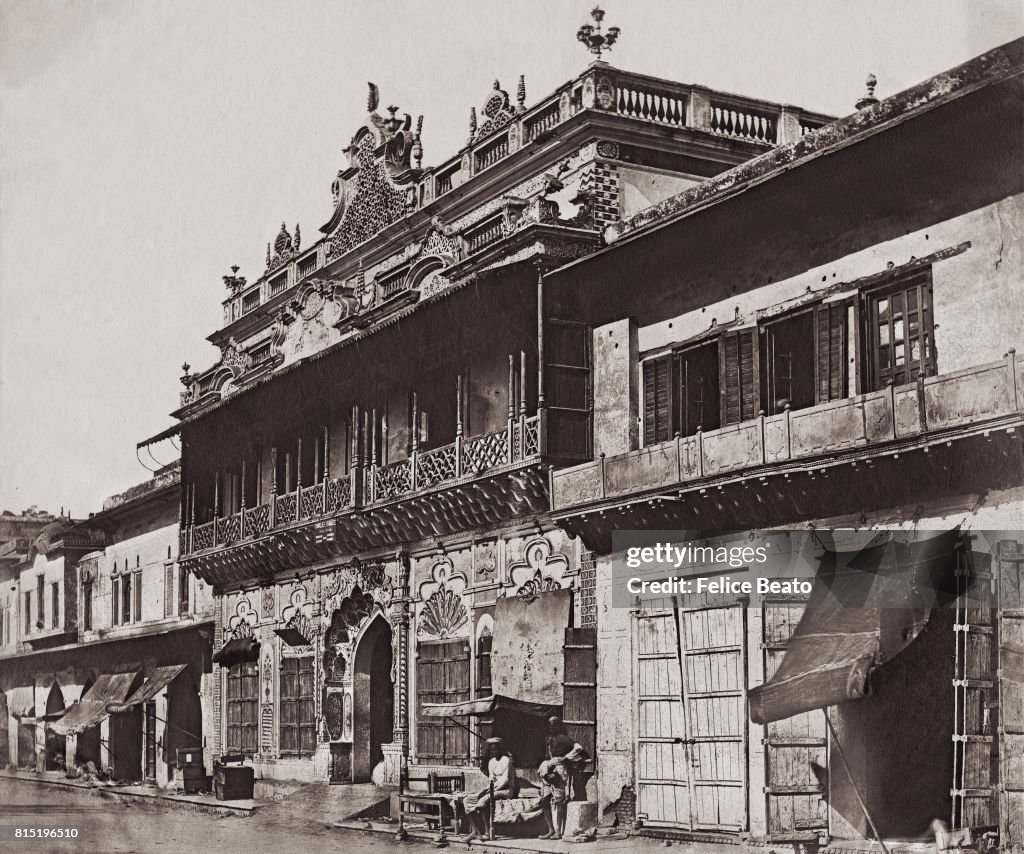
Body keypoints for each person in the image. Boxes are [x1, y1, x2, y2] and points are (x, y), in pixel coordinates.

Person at [538, 716, 585, 840]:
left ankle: (558, 832)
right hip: (547, 769)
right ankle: (550, 830)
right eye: (550, 724)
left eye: (554, 724)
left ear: (558, 726)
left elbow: (578, 748)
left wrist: (565, 758)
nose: (551, 727)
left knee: (559, 801)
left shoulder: (564, 739)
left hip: (559, 769)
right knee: (545, 801)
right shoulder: (547, 739)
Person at [463, 737, 517, 840]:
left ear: (500, 750)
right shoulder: (491, 762)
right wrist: (484, 790)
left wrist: (491, 791)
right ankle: (476, 831)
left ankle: (488, 833)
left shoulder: (506, 760)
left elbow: (505, 780)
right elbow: (491, 779)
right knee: (468, 800)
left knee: (484, 800)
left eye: (496, 750)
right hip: (493, 789)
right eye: (492, 750)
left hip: (505, 791)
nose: (494, 752)